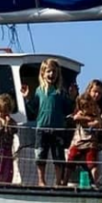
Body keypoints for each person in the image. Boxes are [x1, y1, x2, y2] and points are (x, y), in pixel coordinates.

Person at [22, 58, 74, 187]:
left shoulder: (61, 92)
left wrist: (72, 98)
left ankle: (58, 181)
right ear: (43, 73)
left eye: (54, 72)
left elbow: (67, 109)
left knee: (58, 157)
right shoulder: (39, 91)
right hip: (42, 129)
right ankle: (41, 180)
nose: (52, 74)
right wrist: (28, 97)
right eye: (49, 71)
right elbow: (34, 109)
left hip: (57, 130)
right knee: (40, 156)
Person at [68, 93, 102, 187]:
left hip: (90, 144)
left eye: (90, 105)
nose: (88, 108)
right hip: (78, 143)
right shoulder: (80, 114)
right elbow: (76, 118)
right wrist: (88, 118)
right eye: (85, 106)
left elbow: (97, 123)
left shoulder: (96, 115)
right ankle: (64, 181)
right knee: (70, 161)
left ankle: (97, 182)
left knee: (92, 163)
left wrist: (87, 123)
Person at [0, 93, 18, 185]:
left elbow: (14, 131)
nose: (3, 114)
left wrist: (8, 124)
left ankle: (6, 183)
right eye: (1, 111)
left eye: (5, 111)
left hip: (7, 148)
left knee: (6, 167)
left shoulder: (12, 121)